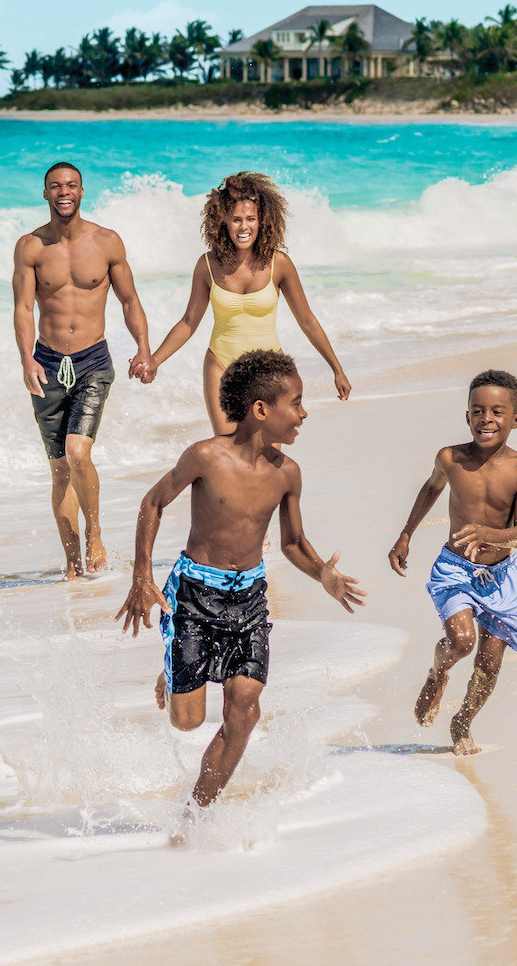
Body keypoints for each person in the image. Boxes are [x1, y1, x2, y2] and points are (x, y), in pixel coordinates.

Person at [116, 349, 364, 821]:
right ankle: (172, 667)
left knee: (245, 712)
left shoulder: (287, 473)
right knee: (187, 722)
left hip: (249, 598)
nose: (304, 412)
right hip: (193, 595)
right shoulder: (207, 457)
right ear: (261, 410)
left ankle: (197, 814)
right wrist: (141, 577)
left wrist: (323, 575)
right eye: (296, 402)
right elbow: (153, 502)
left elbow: (293, 542)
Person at [11, 162, 154, 579]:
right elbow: (22, 308)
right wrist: (26, 358)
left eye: (71, 185)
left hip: (92, 360)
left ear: (82, 191)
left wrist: (143, 348)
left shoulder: (107, 242)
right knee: (59, 470)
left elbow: (129, 300)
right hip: (47, 363)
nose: (63, 192)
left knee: (77, 453)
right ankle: (73, 566)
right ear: (45, 194)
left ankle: (95, 532)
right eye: (55, 186)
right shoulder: (30, 247)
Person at [386, 368, 517, 756]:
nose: (486, 419)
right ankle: (438, 674)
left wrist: (489, 535)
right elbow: (430, 488)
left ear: (515, 420)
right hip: (456, 570)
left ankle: (463, 720)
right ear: (467, 416)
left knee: (490, 662)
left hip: (502, 577)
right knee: (462, 641)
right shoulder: (450, 458)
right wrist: (406, 534)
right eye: (477, 410)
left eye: (497, 412)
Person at [147, 171, 351, 435]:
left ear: (261, 221)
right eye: (236, 220)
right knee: (228, 454)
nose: (244, 227)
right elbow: (188, 323)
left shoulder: (279, 264)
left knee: (269, 458)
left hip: (270, 372)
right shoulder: (207, 265)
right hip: (221, 366)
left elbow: (307, 320)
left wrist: (337, 369)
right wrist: (154, 360)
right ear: (223, 222)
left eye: (250, 219)